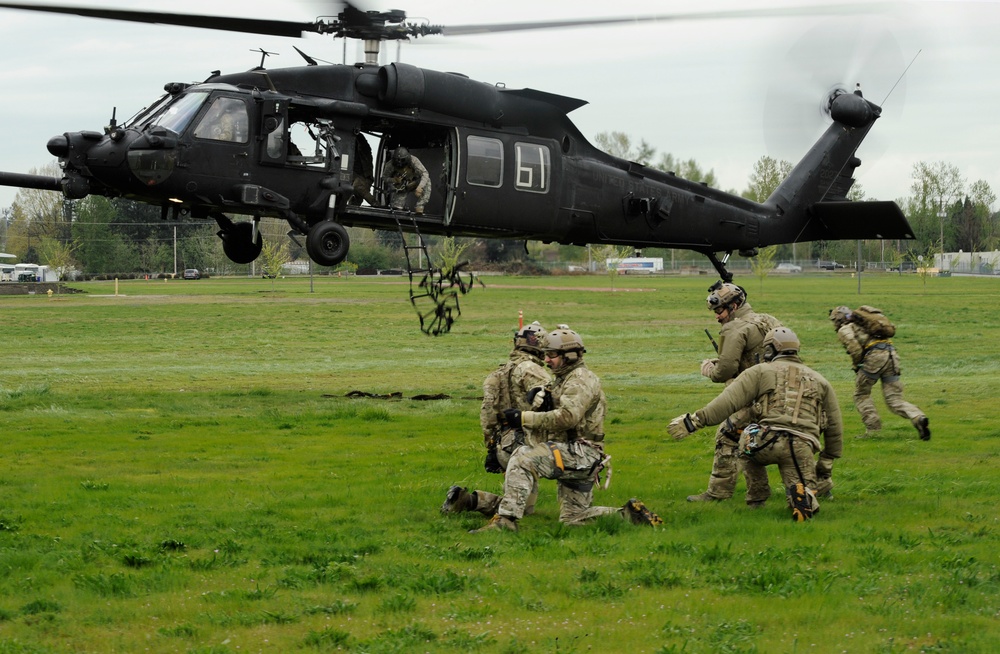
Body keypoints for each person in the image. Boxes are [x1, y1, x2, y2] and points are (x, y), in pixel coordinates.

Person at [470, 326, 662, 532]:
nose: (546, 360)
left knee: (523, 457)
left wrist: (523, 417)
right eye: (545, 355)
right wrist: (541, 393)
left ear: (569, 355)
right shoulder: (566, 378)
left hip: (579, 453)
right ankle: (628, 515)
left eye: (552, 355)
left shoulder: (581, 379)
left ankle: (505, 522)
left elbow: (568, 417)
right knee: (573, 519)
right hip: (578, 456)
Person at [667, 327, 843, 521]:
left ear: (770, 350)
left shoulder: (760, 371)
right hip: (802, 445)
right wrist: (826, 464)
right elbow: (834, 426)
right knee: (799, 484)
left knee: (746, 437)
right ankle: (803, 499)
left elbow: (728, 402)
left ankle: (757, 498)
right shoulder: (820, 380)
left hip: (767, 440)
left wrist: (695, 421)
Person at [678, 281, 783, 504]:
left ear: (734, 306)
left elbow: (724, 371)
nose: (717, 317)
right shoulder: (767, 320)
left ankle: (719, 493)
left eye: (719, 311)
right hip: (783, 393)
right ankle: (811, 488)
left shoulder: (734, 328)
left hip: (757, 398)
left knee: (728, 435)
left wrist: (710, 370)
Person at [441, 321, 552, 517]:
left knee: (520, 505)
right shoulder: (531, 369)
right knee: (523, 510)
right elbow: (551, 399)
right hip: (527, 443)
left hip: (503, 444)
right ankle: (472, 502)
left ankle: (465, 499)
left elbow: (487, 414)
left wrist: (491, 448)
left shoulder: (499, 372)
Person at [829, 306, 930, 440]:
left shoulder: (845, 329)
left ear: (838, 319)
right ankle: (917, 417)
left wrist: (857, 366)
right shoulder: (867, 324)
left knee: (861, 394)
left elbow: (854, 348)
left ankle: (873, 430)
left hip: (874, 358)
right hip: (891, 356)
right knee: (894, 398)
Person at [381, 146, 431, 214]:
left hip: (416, 182)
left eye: (402, 160)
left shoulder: (413, 160)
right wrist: (394, 180)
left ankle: (420, 207)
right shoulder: (390, 164)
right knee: (396, 208)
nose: (399, 162)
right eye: (397, 160)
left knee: (427, 182)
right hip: (402, 186)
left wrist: (420, 187)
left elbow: (425, 174)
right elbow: (384, 177)